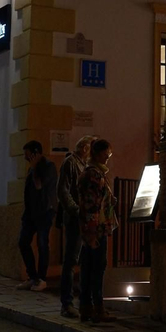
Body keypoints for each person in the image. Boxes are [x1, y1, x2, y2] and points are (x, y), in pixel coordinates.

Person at [76, 138, 117, 323]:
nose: (109, 156)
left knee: (88, 267)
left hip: (90, 228)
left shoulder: (91, 172)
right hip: (96, 229)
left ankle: (86, 307)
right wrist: (92, 233)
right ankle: (96, 308)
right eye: (107, 153)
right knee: (96, 268)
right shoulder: (94, 175)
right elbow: (92, 205)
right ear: (100, 153)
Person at [55, 135, 93, 318]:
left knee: (81, 260)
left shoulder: (84, 166)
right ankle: (67, 303)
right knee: (70, 260)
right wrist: (75, 210)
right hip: (75, 219)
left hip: (84, 218)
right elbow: (62, 190)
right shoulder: (71, 163)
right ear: (85, 148)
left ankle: (83, 300)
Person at [17, 140, 59, 292]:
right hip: (30, 213)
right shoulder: (31, 169)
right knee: (23, 242)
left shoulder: (49, 167)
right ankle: (32, 277)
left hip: (44, 212)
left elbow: (39, 185)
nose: (25, 158)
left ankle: (41, 279)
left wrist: (34, 167)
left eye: (27, 155)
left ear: (36, 153)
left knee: (42, 244)